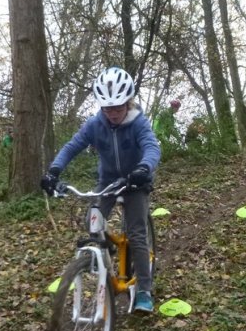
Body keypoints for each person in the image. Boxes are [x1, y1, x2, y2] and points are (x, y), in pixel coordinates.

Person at [41, 67, 161, 313]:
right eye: (108, 109)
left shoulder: (138, 122)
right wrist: (54, 170)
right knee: (92, 221)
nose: (113, 114)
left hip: (136, 180)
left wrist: (143, 168)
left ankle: (144, 291)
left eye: (118, 108)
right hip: (107, 181)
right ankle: (105, 256)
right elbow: (72, 146)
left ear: (128, 102)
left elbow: (151, 147)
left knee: (137, 235)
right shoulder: (96, 124)